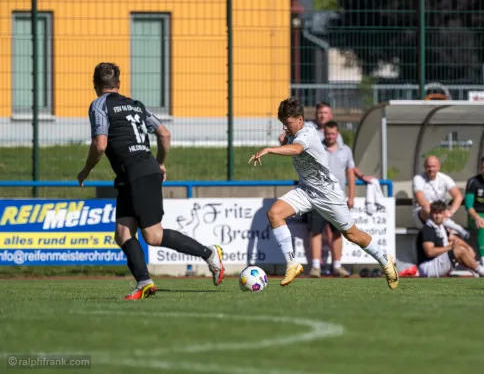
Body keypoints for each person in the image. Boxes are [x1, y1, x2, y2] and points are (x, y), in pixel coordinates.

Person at [78, 62, 225, 300]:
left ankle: (209, 254)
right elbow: (164, 134)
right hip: (133, 173)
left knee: (153, 236)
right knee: (123, 232)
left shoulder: (99, 105)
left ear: (95, 85)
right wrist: (160, 162)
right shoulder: (136, 106)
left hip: (136, 173)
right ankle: (144, 283)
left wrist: (86, 170)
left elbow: (100, 144)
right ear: (119, 84)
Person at [249, 97, 399, 289]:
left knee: (352, 234)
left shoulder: (307, 133)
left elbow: (297, 149)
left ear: (300, 119)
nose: (285, 128)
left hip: (328, 193)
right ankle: (292, 263)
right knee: (274, 213)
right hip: (306, 189)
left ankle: (385, 260)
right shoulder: (293, 132)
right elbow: (291, 144)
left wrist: (269, 149)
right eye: (283, 124)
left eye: (287, 123)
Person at [308, 121, 354, 278]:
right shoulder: (317, 148)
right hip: (319, 197)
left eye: (333, 133)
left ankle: (337, 266)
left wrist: (351, 195)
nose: (330, 136)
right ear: (324, 133)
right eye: (327, 133)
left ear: (338, 133)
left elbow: (350, 173)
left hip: (338, 199)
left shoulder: (346, 150)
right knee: (316, 232)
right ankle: (315, 267)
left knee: (337, 233)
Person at [416, 201, 484, 278]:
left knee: (459, 248)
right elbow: (429, 252)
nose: (437, 216)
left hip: (436, 264)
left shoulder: (440, 227)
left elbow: (454, 238)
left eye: (440, 213)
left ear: (444, 214)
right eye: (434, 213)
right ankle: (483, 272)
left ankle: (476, 271)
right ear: (430, 213)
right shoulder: (428, 229)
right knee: (458, 250)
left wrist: (468, 248)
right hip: (427, 268)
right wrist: (450, 248)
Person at [412, 156, 470, 240]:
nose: (431, 169)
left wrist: (450, 212)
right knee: (427, 208)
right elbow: (420, 199)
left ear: (438, 167)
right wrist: (438, 211)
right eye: (428, 166)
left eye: (433, 166)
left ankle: (449, 227)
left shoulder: (444, 178)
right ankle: (457, 228)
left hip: (442, 216)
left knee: (460, 246)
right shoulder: (418, 178)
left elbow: (458, 196)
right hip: (423, 215)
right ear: (424, 167)